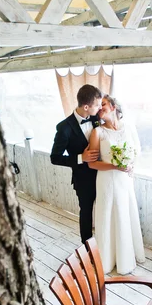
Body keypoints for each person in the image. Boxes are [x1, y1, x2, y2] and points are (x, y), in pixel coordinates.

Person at [87, 95, 145, 274]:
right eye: (99, 106)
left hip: (124, 180)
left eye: (103, 104)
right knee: (108, 215)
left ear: (113, 107)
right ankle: (106, 259)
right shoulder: (98, 132)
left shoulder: (128, 127)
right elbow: (92, 163)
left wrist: (130, 165)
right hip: (106, 180)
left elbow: (136, 150)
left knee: (124, 214)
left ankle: (126, 256)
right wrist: (115, 165)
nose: (100, 108)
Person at [50, 85, 102, 243]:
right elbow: (55, 157)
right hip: (83, 179)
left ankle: (104, 244)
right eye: (97, 105)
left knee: (103, 211)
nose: (100, 107)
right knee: (86, 213)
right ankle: (87, 249)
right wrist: (81, 158)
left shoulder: (96, 119)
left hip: (103, 175)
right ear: (86, 107)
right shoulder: (64, 128)